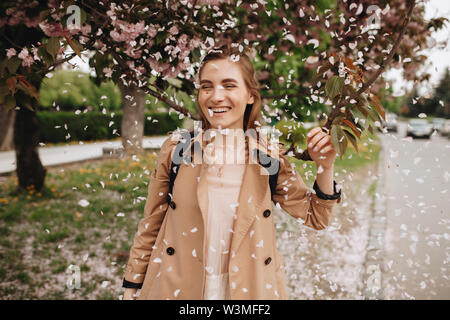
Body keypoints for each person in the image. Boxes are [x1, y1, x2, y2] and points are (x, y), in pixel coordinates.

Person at [122, 44, 341, 300]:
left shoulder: (267, 157)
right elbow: (151, 223)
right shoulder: (178, 149)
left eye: (229, 85)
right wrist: (131, 285)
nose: (216, 96)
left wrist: (325, 166)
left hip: (248, 290)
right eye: (207, 86)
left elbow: (316, 217)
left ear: (250, 95)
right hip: (179, 287)